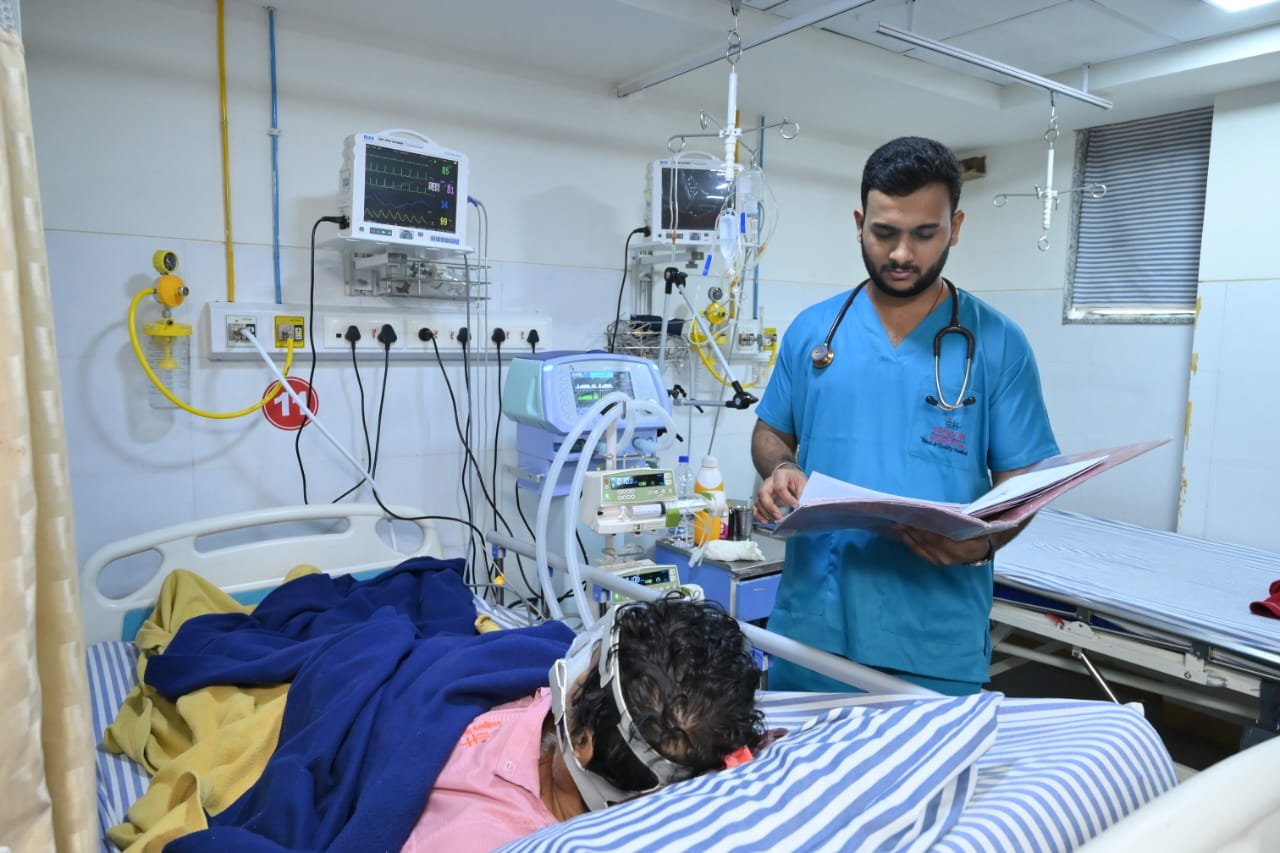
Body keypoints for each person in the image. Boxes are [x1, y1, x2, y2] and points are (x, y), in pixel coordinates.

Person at [751, 136, 1059, 696]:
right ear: (859, 224)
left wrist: (984, 542)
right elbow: (771, 431)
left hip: (934, 640)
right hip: (810, 631)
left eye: (924, 233)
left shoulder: (997, 343)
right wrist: (781, 468)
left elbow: (1024, 479)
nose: (901, 254)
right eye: (884, 232)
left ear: (955, 228)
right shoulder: (813, 332)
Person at [401, 596, 765, 853]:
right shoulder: (565, 717)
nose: (575, 662)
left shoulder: (475, 835)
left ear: (584, 742)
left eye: (588, 665)